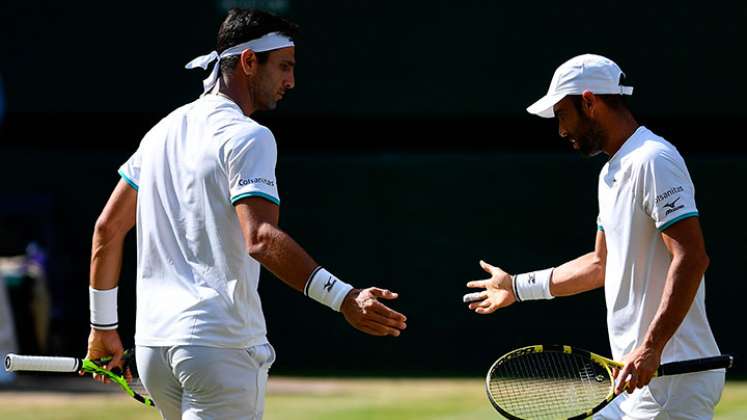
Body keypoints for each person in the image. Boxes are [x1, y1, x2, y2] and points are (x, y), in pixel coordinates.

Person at [85, 8, 407, 420]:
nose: (292, 81)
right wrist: (344, 298)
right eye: (284, 67)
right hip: (218, 347)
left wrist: (102, 328)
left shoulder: (160, 132)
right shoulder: (250, 137)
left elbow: (106, 230)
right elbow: (260, 239)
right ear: (249, 61)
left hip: (154, 350)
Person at [463, 54, 723, 419]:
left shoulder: (653, 160)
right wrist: (518, 287)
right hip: (634, 380)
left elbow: (692, 257)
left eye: (562, 115)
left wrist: (650, 348)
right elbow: (601, 264)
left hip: (671, 381)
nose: (561, 130)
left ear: (589, 101)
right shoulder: (610, 173)